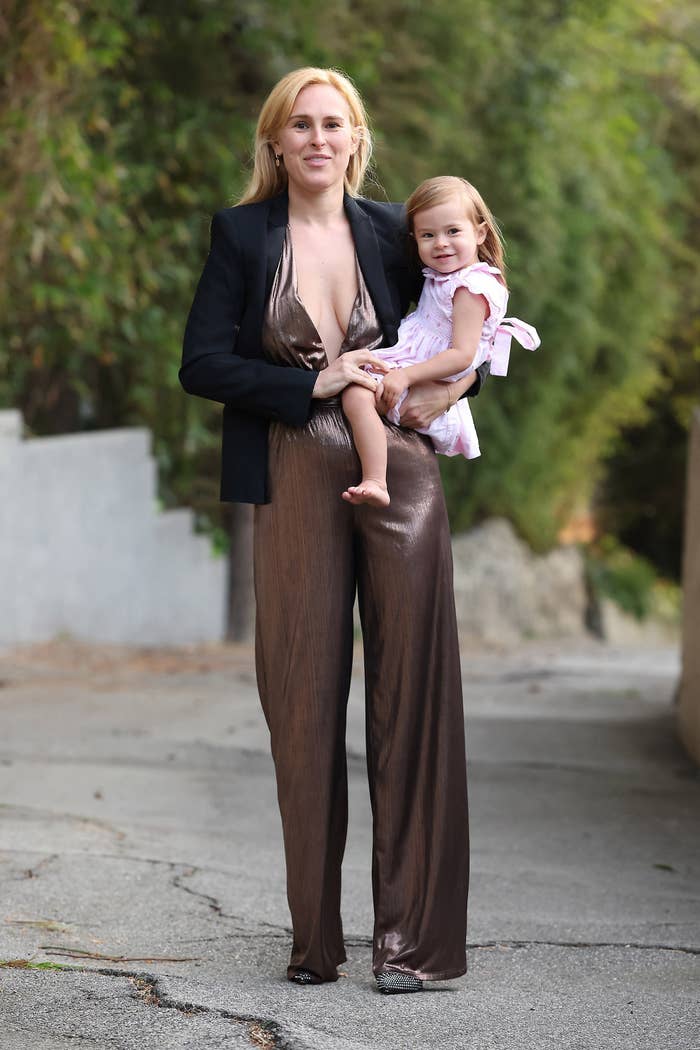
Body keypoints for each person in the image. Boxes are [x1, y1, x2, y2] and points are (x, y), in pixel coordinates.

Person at [179, 67, 490, 995]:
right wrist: (310, 382)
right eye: (301, 124)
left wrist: (449, 385)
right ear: (275, 142)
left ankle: (413, 947)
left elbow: (473, 315)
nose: (318, 138)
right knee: (302, 703)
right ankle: (314, 940)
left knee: (413, 695)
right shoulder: (242, 235)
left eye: (334, 124)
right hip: (291, 470)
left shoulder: (398, 231)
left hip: (401, 473)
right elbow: (202, 364)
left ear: (357, 139)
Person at [341, 175, 540, 507]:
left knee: (356, 395)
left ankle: (376, 480)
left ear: (480, 233)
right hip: (414, 365)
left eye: (453, 232)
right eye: (428, 235)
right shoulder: (445, 276)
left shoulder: (470, 288)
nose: (441, 244)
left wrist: (405, 376)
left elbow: (462, 355)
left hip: (424, 378)